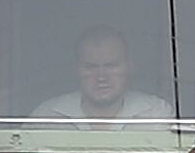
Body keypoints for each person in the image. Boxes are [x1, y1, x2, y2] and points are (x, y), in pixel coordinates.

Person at [34, 27, 172, 121]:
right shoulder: (47, 117)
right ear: (75, 70)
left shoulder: (158, 116)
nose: (101, 77)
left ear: (129, 67)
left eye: (111, 66)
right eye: (90, 67)